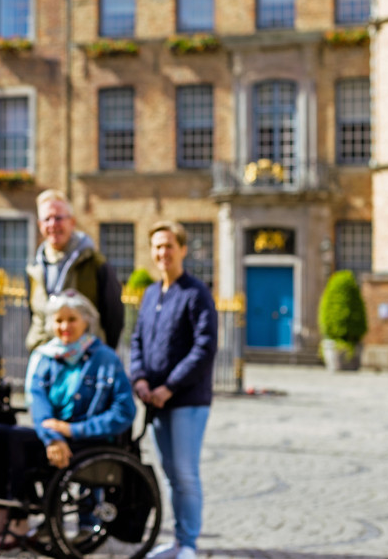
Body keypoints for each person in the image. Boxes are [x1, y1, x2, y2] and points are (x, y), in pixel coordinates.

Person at [0, 291, 136, 550]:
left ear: (86, 321)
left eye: (71, 319)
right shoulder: (43, 357)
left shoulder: (104, 357)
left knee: (19, 446)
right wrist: (54, 438)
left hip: (89, 440)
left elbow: (124, 411)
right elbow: (38, 403)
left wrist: (73, 430)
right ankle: (8, 512)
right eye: (59, 321)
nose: (64, 327)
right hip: (52, 436)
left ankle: (19, 521)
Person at [130, 221, 218, 559]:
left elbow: (204, 348)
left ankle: (190, 544)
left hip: (186, 401)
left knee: (185, 472)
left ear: (182, 249)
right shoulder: (152, 293)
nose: (162, 253)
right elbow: (137, 339)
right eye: (157, 247)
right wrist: (139, 378)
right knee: (168, 475)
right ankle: (178, 540)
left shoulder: (196, 293)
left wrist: (169, 386)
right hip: (154, 401)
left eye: (168, 245)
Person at [25, 189, 123, 353]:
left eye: (58, 218)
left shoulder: (95, 264)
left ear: (72, 222)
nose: (53, 224)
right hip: (45, 360)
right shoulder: (34, 269)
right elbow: (34, 317)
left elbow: (114, 317)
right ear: (40, 225)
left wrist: (102, 353)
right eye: (47, 219)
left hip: (86, 361)